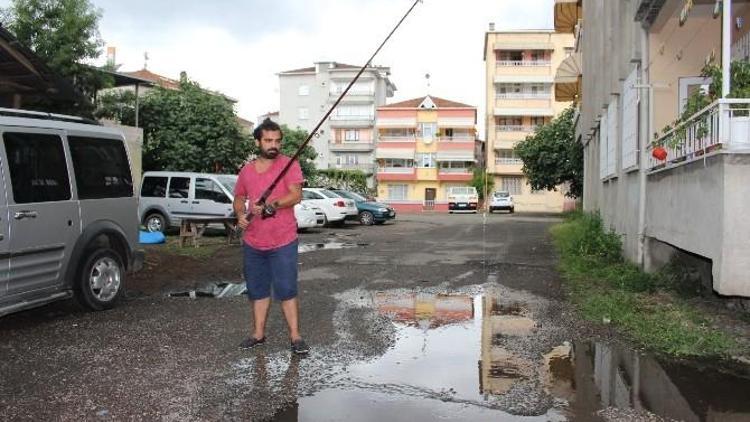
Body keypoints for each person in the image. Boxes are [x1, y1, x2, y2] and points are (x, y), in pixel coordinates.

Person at [234, 118, 309, 355]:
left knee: (286, 289)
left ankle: (296, 337)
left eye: (277, 140)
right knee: (257, 290)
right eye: (268, 140)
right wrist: (240, 215)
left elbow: (296, 195)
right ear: (258, 142)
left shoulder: (289, 165)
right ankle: (258, 334)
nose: (273, 145)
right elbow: (239, 197)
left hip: (283, 240)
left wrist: (271, 204)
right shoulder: (247, 171)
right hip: (253, 241)